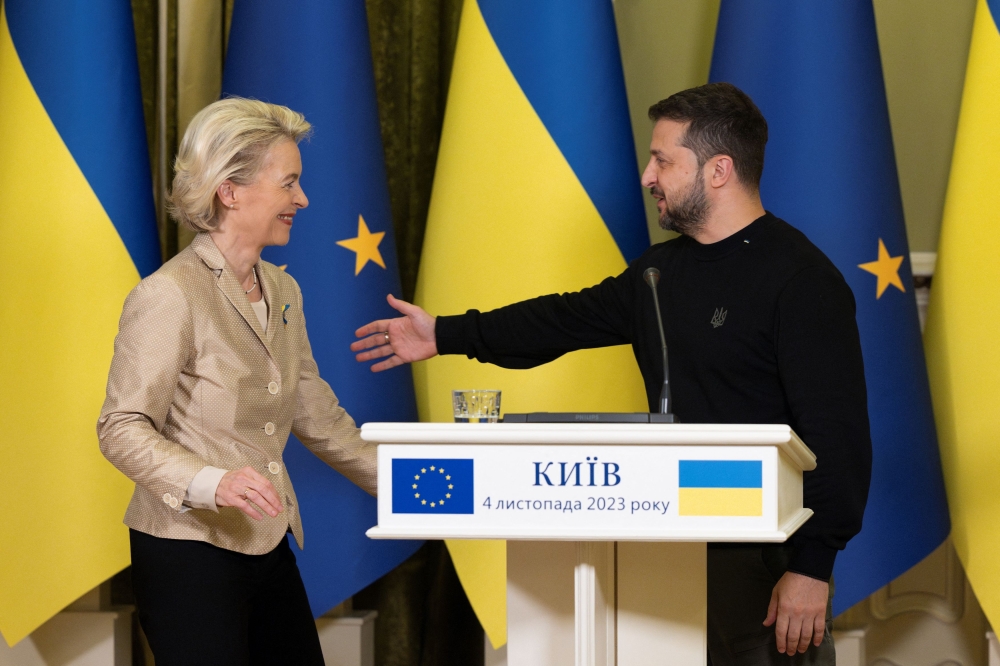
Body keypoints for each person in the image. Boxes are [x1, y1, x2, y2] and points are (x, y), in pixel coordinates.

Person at [352, 82, 872, 665]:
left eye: (663, 160)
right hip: (666, 551)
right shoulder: (658, 273)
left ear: (719, 170)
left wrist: (811, 568)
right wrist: (445, 334)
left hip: (768, 565)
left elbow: (839, 440)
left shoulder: (801, 280)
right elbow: (561, 321)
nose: (648, 176)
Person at [98, 97, 376, 665]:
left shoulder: (283, 289)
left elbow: (313, 412)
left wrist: (409, 482)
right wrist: (210, 482)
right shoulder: (168, 295)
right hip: (187, 553)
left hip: (266, 542)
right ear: (230, 190)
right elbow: (120, 427)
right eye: (289, 184)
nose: (303, 200)